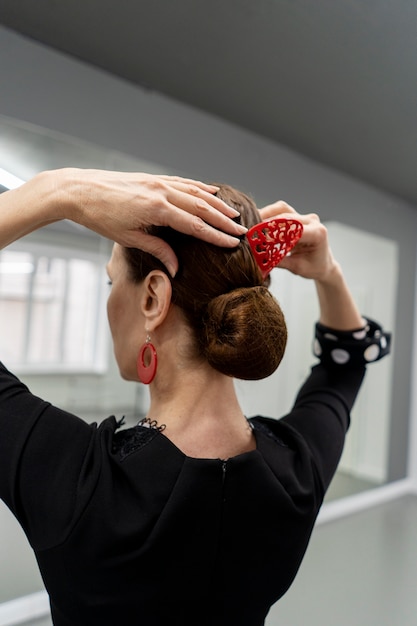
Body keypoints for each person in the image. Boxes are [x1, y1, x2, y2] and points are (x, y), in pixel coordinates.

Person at [0, 168, 391, 626]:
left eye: (112, 283)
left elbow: (343, 368)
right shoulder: (295, 474)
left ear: (152, 299)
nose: (108, 301)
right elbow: (345, 366)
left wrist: (56, 190)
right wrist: (328, 272)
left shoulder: (72, 478)